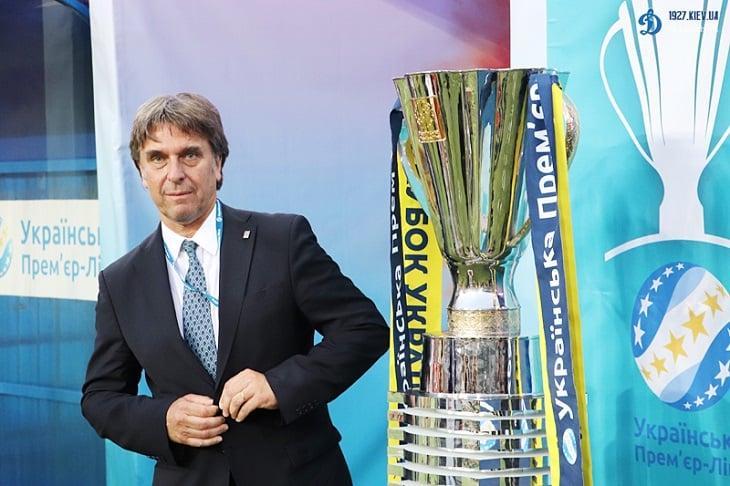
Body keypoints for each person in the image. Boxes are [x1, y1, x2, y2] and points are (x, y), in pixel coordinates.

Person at [81, 93, 389, 486]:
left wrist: (278, 385)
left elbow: (363, 329)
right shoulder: (120, 281)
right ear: (142, 172)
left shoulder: (282, 240)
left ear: (218, 163)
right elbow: (100, 398)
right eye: (157, 158)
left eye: (190, 154)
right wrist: (163, 420)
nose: (174, 173)